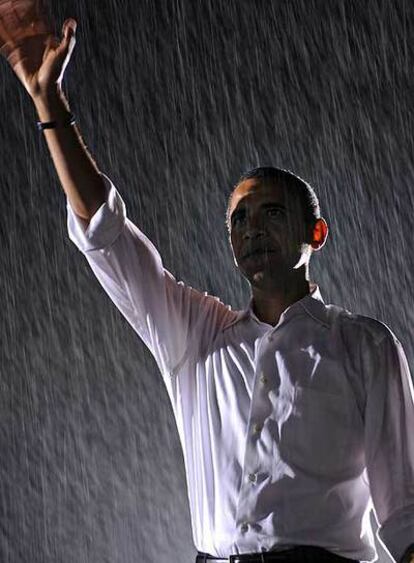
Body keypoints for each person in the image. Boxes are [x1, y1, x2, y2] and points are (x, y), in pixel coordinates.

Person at [1, 4, 414, 563]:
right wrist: (49, 104)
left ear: (316, 232)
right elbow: (106, 234)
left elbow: (404, 510)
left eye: (271, 213)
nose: (251, 229)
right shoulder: (196, 336)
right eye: (238, 219)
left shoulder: (364, 345)